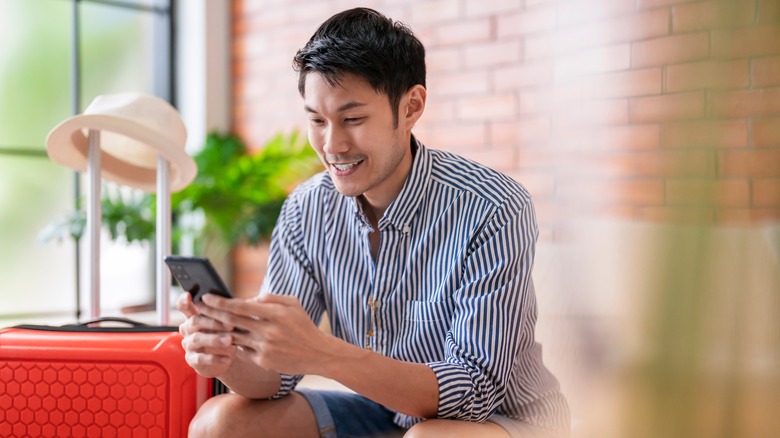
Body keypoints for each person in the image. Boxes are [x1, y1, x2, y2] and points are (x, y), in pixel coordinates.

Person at [177, 7, 570, 438]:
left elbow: (473, 394)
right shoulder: (308, 209)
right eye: (316, 120)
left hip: (503, 419)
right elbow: (273, 379)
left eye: (353, 119)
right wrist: (227, 357)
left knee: (428, 437)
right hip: (381, 412)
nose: (332, 145)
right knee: (220, 423)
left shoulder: (493, 207)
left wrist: (324, 354)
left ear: (412, 106)